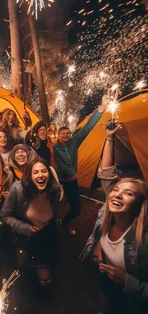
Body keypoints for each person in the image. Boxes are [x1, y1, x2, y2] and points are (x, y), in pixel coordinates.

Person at [80, 121, 148, 314]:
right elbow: (107, 174)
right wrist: (109, 137)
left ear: (139, 204)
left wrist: (128, 281)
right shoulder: (107, 215)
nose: (117, 194)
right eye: (115, 190)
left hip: (133, 301)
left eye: (128, 193)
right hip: (107, 282)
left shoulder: (144, 239)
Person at [0, 157, 62, 287]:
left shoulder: (55, 190)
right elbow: (4, 216)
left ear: (49, 174)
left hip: (47, 235)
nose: (40, 175)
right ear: (29, 175)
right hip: (24, 237)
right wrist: (24, 227)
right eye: (35, 172)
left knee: (44, 278)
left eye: (44, 171)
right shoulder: (18, 190)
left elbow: (54, 211)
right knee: (22, 268)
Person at [53, 94, 110, 234]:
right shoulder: (56, 147)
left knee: (76, 208)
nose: (66, 135)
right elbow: (61, 165)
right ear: (59, 135)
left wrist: (101, 108)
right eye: (63, 133)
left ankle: (64, 222)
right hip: (59, 182)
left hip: (72, 182)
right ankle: (52, 227)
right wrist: (72, 174)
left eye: (68, 133)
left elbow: (88, 127)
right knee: (53, 206)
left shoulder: (74, 142)